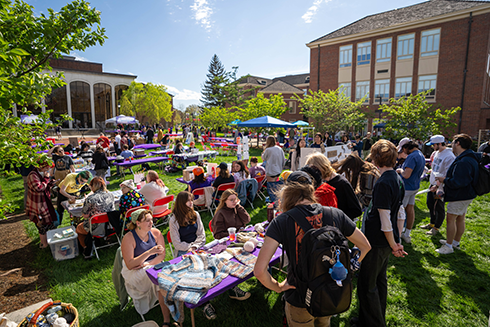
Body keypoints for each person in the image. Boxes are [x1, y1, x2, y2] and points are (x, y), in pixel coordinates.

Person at [254, 171, 371, 327]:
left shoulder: (282, 221)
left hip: (298, 295)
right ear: (312, 190)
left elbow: (259, 271)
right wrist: (350, 267)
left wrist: (278, 287)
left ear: (287, 192)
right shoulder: (335, 214)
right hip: (329, 291)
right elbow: (365, 246)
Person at [355, 139, 407, 327]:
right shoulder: (397, 178)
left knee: (367, 285)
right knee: (379, 281)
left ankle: (374, 323)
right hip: (385, 241)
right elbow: (399, 213)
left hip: (377, 242)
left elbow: (385, 219)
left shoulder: (384, 182)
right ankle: (368, 319)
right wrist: (397, 239)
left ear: (376, 159)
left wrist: (394, 244)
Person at [121, 209, 174, 326]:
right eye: (147, 221)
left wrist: (149, 264)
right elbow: (130, 265)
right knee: (160, 279)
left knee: (161, 279)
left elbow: (162, 255)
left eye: (151, 220)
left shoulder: (156, 233)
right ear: (137, 223)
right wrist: (150, 252)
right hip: (134, 272)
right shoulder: (129, 238)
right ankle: (169, 318)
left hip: (151, 264)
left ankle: (167, 320)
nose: (151, 223)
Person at [435, 134, 479, 254]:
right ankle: (455, 242)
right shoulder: (469, 157)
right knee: (460, 218)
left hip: (460, 195)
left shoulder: (464, 161)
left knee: (451, 219)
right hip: (467, 194)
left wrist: (444, 180)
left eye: (453, 142)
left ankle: (449, 246)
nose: (451, 145)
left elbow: (458, 182)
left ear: (458, 143)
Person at [306, 152, 362, 220]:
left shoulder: (342, 183)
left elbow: (356, 210)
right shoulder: (318, 183)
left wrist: (338, 219)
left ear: (320, 167)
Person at [421, 135, 455, 236]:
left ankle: (436, 228)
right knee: (430, 204)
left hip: (440, 187)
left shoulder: (449, 156)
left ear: (440, 144)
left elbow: (448, 173)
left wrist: (438, 186)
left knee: (438, 207)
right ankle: (432, 223)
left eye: (433, 145)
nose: (432, 147)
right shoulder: (436, 153)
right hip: (432, 183)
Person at [76, 176, 115, 259]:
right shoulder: (111, 194)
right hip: (110, 225)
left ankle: (86, 249)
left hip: (95, 227)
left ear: (93, 186)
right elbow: (113, 210)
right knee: (102, 219)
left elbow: (85, 215)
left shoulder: (90, 199)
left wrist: (87, 203)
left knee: (78, 228)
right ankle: (107, 239)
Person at [396, 140, 426, 244]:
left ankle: (397, 237)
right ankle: (407, 234)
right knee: (410, 209)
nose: (404, 152)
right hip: (415, 186)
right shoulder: (420, 155)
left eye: (404, 149)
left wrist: (400, 171)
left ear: (407, 147)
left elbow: (406, 174)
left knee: (399, 211)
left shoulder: (412, 157)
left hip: (407, 187)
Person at [25, 159, 56, 248]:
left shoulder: (41, 173)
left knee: (47, 223)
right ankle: (44, 245)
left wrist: (50, 184)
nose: (48, 170)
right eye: (47, 167)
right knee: (41, 223)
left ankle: (45, 242)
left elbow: (44, 187)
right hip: (37, 204)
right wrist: (46, 179)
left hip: (44, 202)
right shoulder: (32, 175)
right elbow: (39, 188)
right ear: (41, 166)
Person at [169, 191, 206, 256]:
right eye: (188, 200)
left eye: (191, 200)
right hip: (183, 250)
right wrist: (190, 247)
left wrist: (194, 247)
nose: (191, 202)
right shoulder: (174, 220)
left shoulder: (195, 214)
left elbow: (202, 235)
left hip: (197, 246)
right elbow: (177, 244)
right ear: (181, 203)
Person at [262, 136, 286, 204]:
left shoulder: (268, 150)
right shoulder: (279, 149)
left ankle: (274, 200)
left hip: (271, 170)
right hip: (278, 169)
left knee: (271, 186)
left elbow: (264, 158)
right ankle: (277, 199)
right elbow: (283, 159)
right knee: (276, 185)